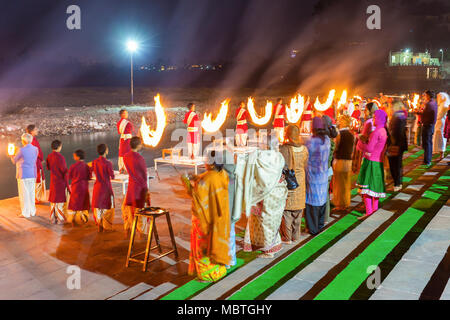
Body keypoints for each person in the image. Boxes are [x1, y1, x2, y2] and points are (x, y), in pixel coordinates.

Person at [182, 151, 231, 282]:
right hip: (219, 218)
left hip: (204, 219)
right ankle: (219, 270)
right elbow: (209, 180)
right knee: (216, 244)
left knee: (203, 247)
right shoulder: (223, 174)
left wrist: (186, 182)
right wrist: (196, 178)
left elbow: (196, 196)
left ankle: (207, 274)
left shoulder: (206, 179)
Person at [241, 150, 288, 258]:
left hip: (268, 197)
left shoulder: (263, 168)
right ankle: (273, 244)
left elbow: (260, 183)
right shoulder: (277, 158)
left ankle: (269, 250)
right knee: (272, 223)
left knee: (267, 223)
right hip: (278, 192)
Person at [356, 110, 388, 219]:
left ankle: (369, 212)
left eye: (374, 117)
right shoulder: (384, 131)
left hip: (370, 162)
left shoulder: (376, 132)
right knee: (375, 189)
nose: (373, 119)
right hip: (378, 163)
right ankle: (374, 211)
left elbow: (369, 148)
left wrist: (360, 142)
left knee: (367, 190)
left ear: (379, 119)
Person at [279, 125, 309, 243]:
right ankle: (296, 236)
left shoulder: (284, 149)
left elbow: (281, 164)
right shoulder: (304, 149)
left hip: (289, 180)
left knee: (287, 210)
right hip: (300, 179)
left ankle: (287, 237)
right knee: (298, 209)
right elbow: (305, 163)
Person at [304, 117, 331, 235]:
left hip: (313, 176)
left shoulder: (310, 141)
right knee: (321, 200)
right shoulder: (327, 140)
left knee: (311, 202)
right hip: (323, 175)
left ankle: (313, 228)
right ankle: (319, 225)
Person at [122, 136, 150, 235]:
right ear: (138, 145)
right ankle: (141, 233)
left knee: (130, 209)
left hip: (131, 187)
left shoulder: (125, 157)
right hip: (139, 188)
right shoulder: (140, 158)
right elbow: (144, 174)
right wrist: (146, 189)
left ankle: (129, 228)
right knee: (140, 211)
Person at [10, 133, 38, 218]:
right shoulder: (35, 149)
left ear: (23, 141)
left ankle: (25, 213)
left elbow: (14, 161)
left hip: (23, 174)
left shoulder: (21, 150)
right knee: (31, 193)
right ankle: (32, 211)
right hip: (32, 173)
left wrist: (11, 155)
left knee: (24, 194)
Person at [332, 115, 355, 212]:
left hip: (340, 160)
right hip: (348, 160)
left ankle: (339, 203)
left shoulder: (339, 134)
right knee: (346, 183)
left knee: (339, 183)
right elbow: (353, 149)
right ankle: (346, 202)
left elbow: (335, 147)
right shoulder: (351, 134)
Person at [91, 144, 115, 232]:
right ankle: (107, 226)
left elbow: (91, 171)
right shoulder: (108, 163)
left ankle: (99, 225)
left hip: (97, 187)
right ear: (106, 151)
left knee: (98, 207)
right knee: (108, 207)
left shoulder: (94, 162)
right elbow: (112, 176)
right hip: (106, 188)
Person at [46, 140, 69, 224]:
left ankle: (53, 218)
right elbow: (64, 170)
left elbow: (48, 167)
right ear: (59, 147)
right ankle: (60, 219)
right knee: (60, 200)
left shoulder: (49, 156)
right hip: (60, 181)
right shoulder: (60, 157)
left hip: (53, 180)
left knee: (53, 200)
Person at [387, 101, 408, 192]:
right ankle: (398, 183)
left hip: (396, 144)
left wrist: (393, 143)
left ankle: (397, 184)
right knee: (398, 164)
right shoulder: (401, 116)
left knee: (394, 165)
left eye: (392, 107)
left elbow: (396, 132)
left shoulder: (397, 117)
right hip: (400, 144)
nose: (391, 108)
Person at [67, 149, 91, 226]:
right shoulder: (86, 166)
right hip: (84, 187)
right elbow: (89, 176)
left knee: (75, 204)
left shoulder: (73, 166)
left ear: (77, 157)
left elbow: (69, 176)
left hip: (75, 187)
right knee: (84, 203)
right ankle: (84, 218)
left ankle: (73, 219)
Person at [353, 102, 378, 173]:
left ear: (370, 111)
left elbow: (364, 137)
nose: (364, 111)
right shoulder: (373, 120)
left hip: (365, 149)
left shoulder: (369, 122)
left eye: (366, 110)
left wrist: (356, 135)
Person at [26, 125, 45, 203]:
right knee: (38, 179)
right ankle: (36, 198)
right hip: (36, 163)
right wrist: (41, 159)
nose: (37, 130)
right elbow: (38, 152)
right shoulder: (33, 140)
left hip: (32, 163)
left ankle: (35, 197)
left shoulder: (28, 140)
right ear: (31, 131)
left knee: (35, 179)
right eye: (35, 129)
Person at [418, 90, 437, 166]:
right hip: (430, 125)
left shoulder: (429, 104)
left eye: (425, 95)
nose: (424, 97)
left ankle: (427, 161)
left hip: (428, 126)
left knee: (427, 143)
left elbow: (425, 114)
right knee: (429, 143)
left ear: (428, 96)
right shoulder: (434, 103)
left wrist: (417, 112)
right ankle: (428, 159)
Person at [433, 92, 450, 160]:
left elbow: (439, 115)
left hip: (441, 123)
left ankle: (441, 154)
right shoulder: (442, 104)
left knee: (441, 138)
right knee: (439, 138)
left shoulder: (443, 105)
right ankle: (440, 153)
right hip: (439, 123)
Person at [117, 109, 134, 173]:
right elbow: (131, 129)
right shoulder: (127, 123)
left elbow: (119, 132)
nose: (127, 114)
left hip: (122, 139)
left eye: (127, 113)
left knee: (122, 153)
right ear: (122, 114)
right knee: (127, 153)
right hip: (127, 140)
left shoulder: (119, 123)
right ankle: (127, 169)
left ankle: (122, 168)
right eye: (125, 113)